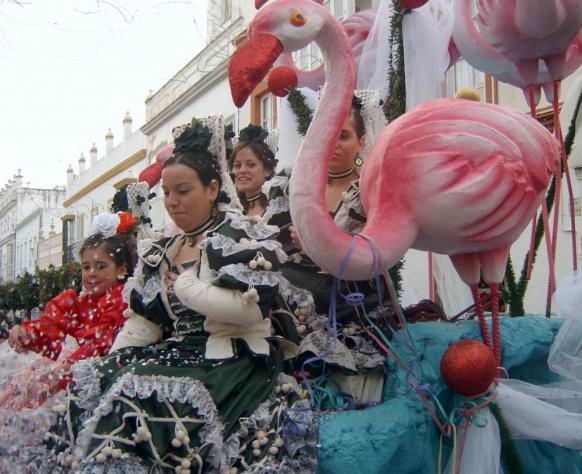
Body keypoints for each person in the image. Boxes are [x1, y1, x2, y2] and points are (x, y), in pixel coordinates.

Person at [46, 117, 312, 473]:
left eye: (183, 192)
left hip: (233, 359)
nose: (172, 202)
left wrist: (188, 288)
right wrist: (115, 361)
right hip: (180, 354)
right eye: (167, 193)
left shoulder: (237, 237)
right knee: (91, 381)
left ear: (212, 189)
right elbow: (143, 325)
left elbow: (249, 312)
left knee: (134, 398)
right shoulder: (163, 251)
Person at [279, 94, 396, 409]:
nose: (333, 144)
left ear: (361, 142)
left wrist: (319, 249)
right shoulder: (296, 187)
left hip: (351, 307)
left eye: (343, 136)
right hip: (294, 309)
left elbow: (379, 253)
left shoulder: (370, 192)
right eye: (327, 135)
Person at [0, 215, 135, 409]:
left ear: (121, 270)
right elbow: (51, 326)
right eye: (86, 267)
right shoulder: (80, 302)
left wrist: (66, 367)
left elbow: (100, 342)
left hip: (104, 376)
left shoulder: (122, 300)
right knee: (28, 380)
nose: (91, 273)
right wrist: (26, 334)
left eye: (101, 266)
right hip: (78, 368)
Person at [230, 124, 278, 217]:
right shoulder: (232, 213)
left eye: (251, 165)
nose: (242, 170)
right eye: (237, 165)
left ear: (267, 170)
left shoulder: (277, 211)